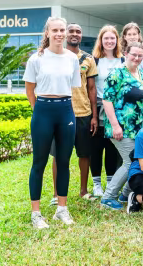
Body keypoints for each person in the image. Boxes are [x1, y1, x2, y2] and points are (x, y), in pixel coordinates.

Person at [23, 17, 82, 229]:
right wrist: (38, 110)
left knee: (64, 161)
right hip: (43, 110)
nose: (59, 34)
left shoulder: (72, 58)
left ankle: (62, 209)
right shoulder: (36, 58)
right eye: (55, 30)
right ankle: (36, 213)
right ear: (47, 32)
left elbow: (73, 86)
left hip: (66, 110)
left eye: (62, 30)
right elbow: (30, 90)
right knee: (39, 162)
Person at [100, 41, 143, 210]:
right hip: (122, 128)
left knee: (138, 161)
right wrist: (116, 126)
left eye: (140, 55)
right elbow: (107, 100)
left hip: (140, 128)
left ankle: (125, 194)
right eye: (134, 54)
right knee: (131, 162)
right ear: (125, 54)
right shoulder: (117, 74)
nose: (137, 58)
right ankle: (108, 197)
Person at [48, 23, 98, 203]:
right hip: (60, 112)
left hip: (83, 112)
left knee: (84, 154)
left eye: (78, 31)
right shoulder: (54, 56)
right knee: (59, 155)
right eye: (71, 31)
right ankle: (56, 194)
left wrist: (94, 115)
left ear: (81, 35)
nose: (74, 34)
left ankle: (83, 191)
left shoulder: (88, 59)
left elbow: (91, 88)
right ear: (64, 34)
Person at [90, 25, 123, 198]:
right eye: (106, 39)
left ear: (117, 40)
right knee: (96, 147)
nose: (109, 41)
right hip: (98, 108)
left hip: (117, 111)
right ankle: (96, 184)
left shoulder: (122, 60)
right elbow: (90, 87)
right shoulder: (94, 60)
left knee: (112, 147)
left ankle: (110, 181)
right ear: (101, 41)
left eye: (112, 38)